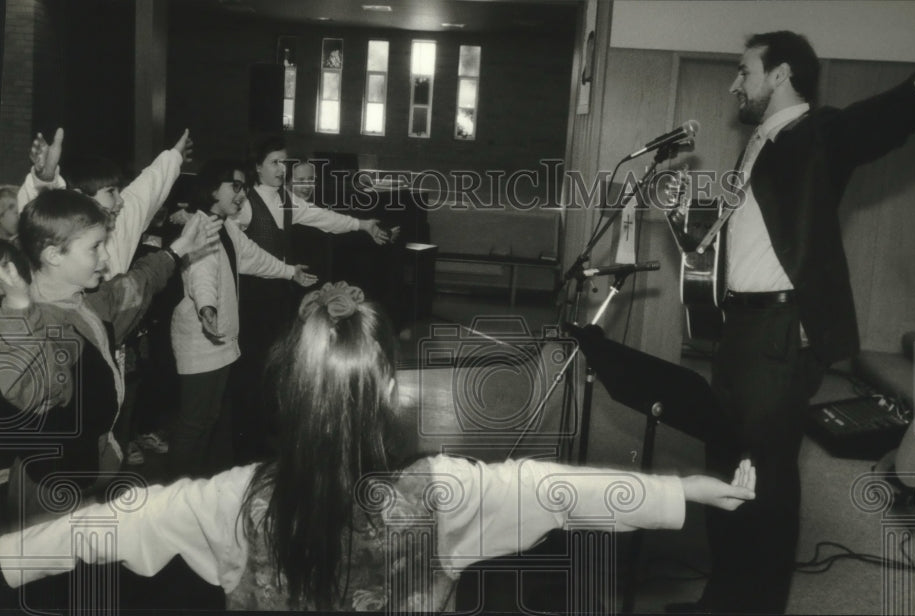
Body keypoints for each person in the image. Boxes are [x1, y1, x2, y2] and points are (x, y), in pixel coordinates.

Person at [0, 283, 755, 610]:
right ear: (387, 388)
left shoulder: (231, 500)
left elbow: (102, 529)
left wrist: (11, 557)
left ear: (287, 390)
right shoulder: (446, 495)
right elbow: (551, 489)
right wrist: (682, 490)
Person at [690, 11, 915, 614]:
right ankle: (720, 600)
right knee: (725, 464)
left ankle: (755, 608)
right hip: (742, 329)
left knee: (765, 484)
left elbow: (876, 122)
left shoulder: (813, 134)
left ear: (780, 74)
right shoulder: (761, 143)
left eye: (743, 71)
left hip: (777, 335)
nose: (735, 84)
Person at [0, 190, 221, 525]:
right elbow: (33, 386)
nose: (105, 258)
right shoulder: (40, 326)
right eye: (94, 247)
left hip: (88, 476)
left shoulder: (86, 303)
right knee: (57, 573)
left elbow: (135, 285)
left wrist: (177, 251)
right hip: (50, 493)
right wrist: (17, 309)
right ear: (53, 255)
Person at [231, 136, 390, 464]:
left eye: (283, 163)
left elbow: (324, 217)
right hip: (250, 300)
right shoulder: (245, 203)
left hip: (280, 298)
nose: (281, 169)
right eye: (275, 162)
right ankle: (246, 450)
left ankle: (269, 444)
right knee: (252, 371)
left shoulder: (287, 201)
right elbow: (224, 235)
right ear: (257, 167)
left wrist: (362, 224)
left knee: (277, 368)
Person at [169, 160, 316, 479]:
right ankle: (172, 494)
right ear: (212, 190)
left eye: (244, 188)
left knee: (209, 420)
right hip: (200, 340)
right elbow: (200, 272)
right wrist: (207, 307)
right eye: (235, 186)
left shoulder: (225, 226)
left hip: (220, 340)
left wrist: (290, 272)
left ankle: (195, 486)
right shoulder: (198, 226)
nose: (242, 194)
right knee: (195, 423)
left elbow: (253, 257)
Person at [18, 127, 194, 279]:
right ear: (82, 198)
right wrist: (45, 178)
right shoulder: (62, 229)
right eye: (110, 192)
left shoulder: (121, 221)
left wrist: (175, 156)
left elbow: (151, 183)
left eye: (119, 190)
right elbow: (39, 219)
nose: (121, 200)